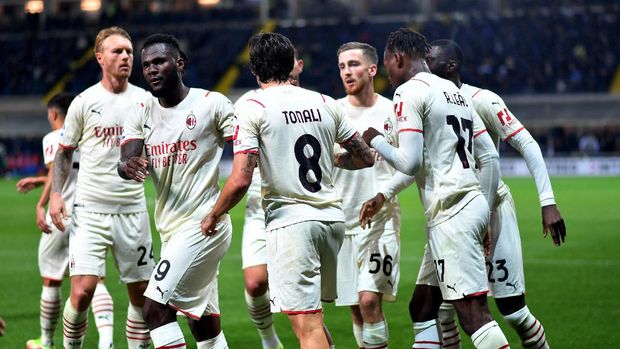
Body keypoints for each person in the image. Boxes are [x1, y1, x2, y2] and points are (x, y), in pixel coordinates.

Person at [201, 32, 375, 349]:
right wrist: (334, 158)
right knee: (312, 319)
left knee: (306, 328)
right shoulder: (323, 102)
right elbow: (364, 157)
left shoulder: (252, 106)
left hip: (292, 224)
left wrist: (214, 213)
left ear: (255, 70)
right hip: (332, 222)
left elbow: (241, 178)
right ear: (291, 65)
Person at [360, 28, 508, 349]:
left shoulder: (409, 92)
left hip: (451, 211)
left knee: (472, 313)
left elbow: (409, 162)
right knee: (422, 306)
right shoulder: (457, 92)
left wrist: (374, 139)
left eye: (388, 67)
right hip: (470, 203)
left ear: (398, 58)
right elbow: (489, 156)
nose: (388, 76)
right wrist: (482, 213)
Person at [426, 39, 566, 349]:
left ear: (450, 66)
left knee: (513, 311)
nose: (423, 64)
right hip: (451, 215)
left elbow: (528, 144)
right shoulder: (426, 101)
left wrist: (548, 202)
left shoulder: (482, 99)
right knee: (444, 310)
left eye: (429, 58)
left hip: (492, 208)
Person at [118, 33, 234, 349]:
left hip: (205, 225)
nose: (152, 69)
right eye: (147, 65)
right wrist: (127, 165)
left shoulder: (212, 104)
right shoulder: (141, 108)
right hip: (170, 229)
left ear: (179, 63)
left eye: (160, 61)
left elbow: (250, 146)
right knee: (204, 325)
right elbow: (127, 156)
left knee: (154, 308)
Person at [49, 26, 154, 349]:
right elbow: (65, 151)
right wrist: (55, 194)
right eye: (117, 51)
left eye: (128, 51)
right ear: (99, 58)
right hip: (90, 210)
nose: (125, 56)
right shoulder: (84, 102)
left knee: (140, 296)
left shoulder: (146, 100)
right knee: (81, 292)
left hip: (132, 210)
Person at [333, 41, 414, 349]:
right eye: (341, 66)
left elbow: (410, 166)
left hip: (381, 222)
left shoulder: (394, 112)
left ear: (371, 68)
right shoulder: (332, 112)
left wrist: (382, 194)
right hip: (341, 222)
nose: (346, 72)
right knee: (355, 309)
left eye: (353, 64)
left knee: (369, 302)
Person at [17, 93, 115, 349]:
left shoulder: (54, 137)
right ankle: (107, 342)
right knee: (96, 281)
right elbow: (76, 171)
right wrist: (39, 181)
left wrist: (40, 204)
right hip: (90, 217)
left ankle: (47, 342)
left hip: (60, 216)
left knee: (52, 279)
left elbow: (56, 170)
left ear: (53, 114)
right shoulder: (90, 135)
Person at [236, 48, 304, 349]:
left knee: (300, 304)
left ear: (298, 66)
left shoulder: (311, 102)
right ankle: (268, 339)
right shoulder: (249, 103)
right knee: (254, 283)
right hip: (258, 210)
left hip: (298, 208)